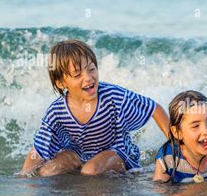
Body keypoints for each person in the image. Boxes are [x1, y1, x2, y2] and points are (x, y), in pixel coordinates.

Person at [21, 39, 169, 177]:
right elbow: (39, 150)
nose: (88, 77)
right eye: (78, 74)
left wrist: (178, 145)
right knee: (47, 171)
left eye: (91, 69)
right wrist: (24, 178)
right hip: (78, 154)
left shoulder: (113, 97)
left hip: (116, 153)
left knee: (90, 170)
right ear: (61, 83)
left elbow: (153, 108)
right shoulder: (56, 112)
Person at [154, 90, 207, 183]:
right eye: (196, 126)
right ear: (177, 132)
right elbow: (161, 192)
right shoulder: (168, 158)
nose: (206, 131)